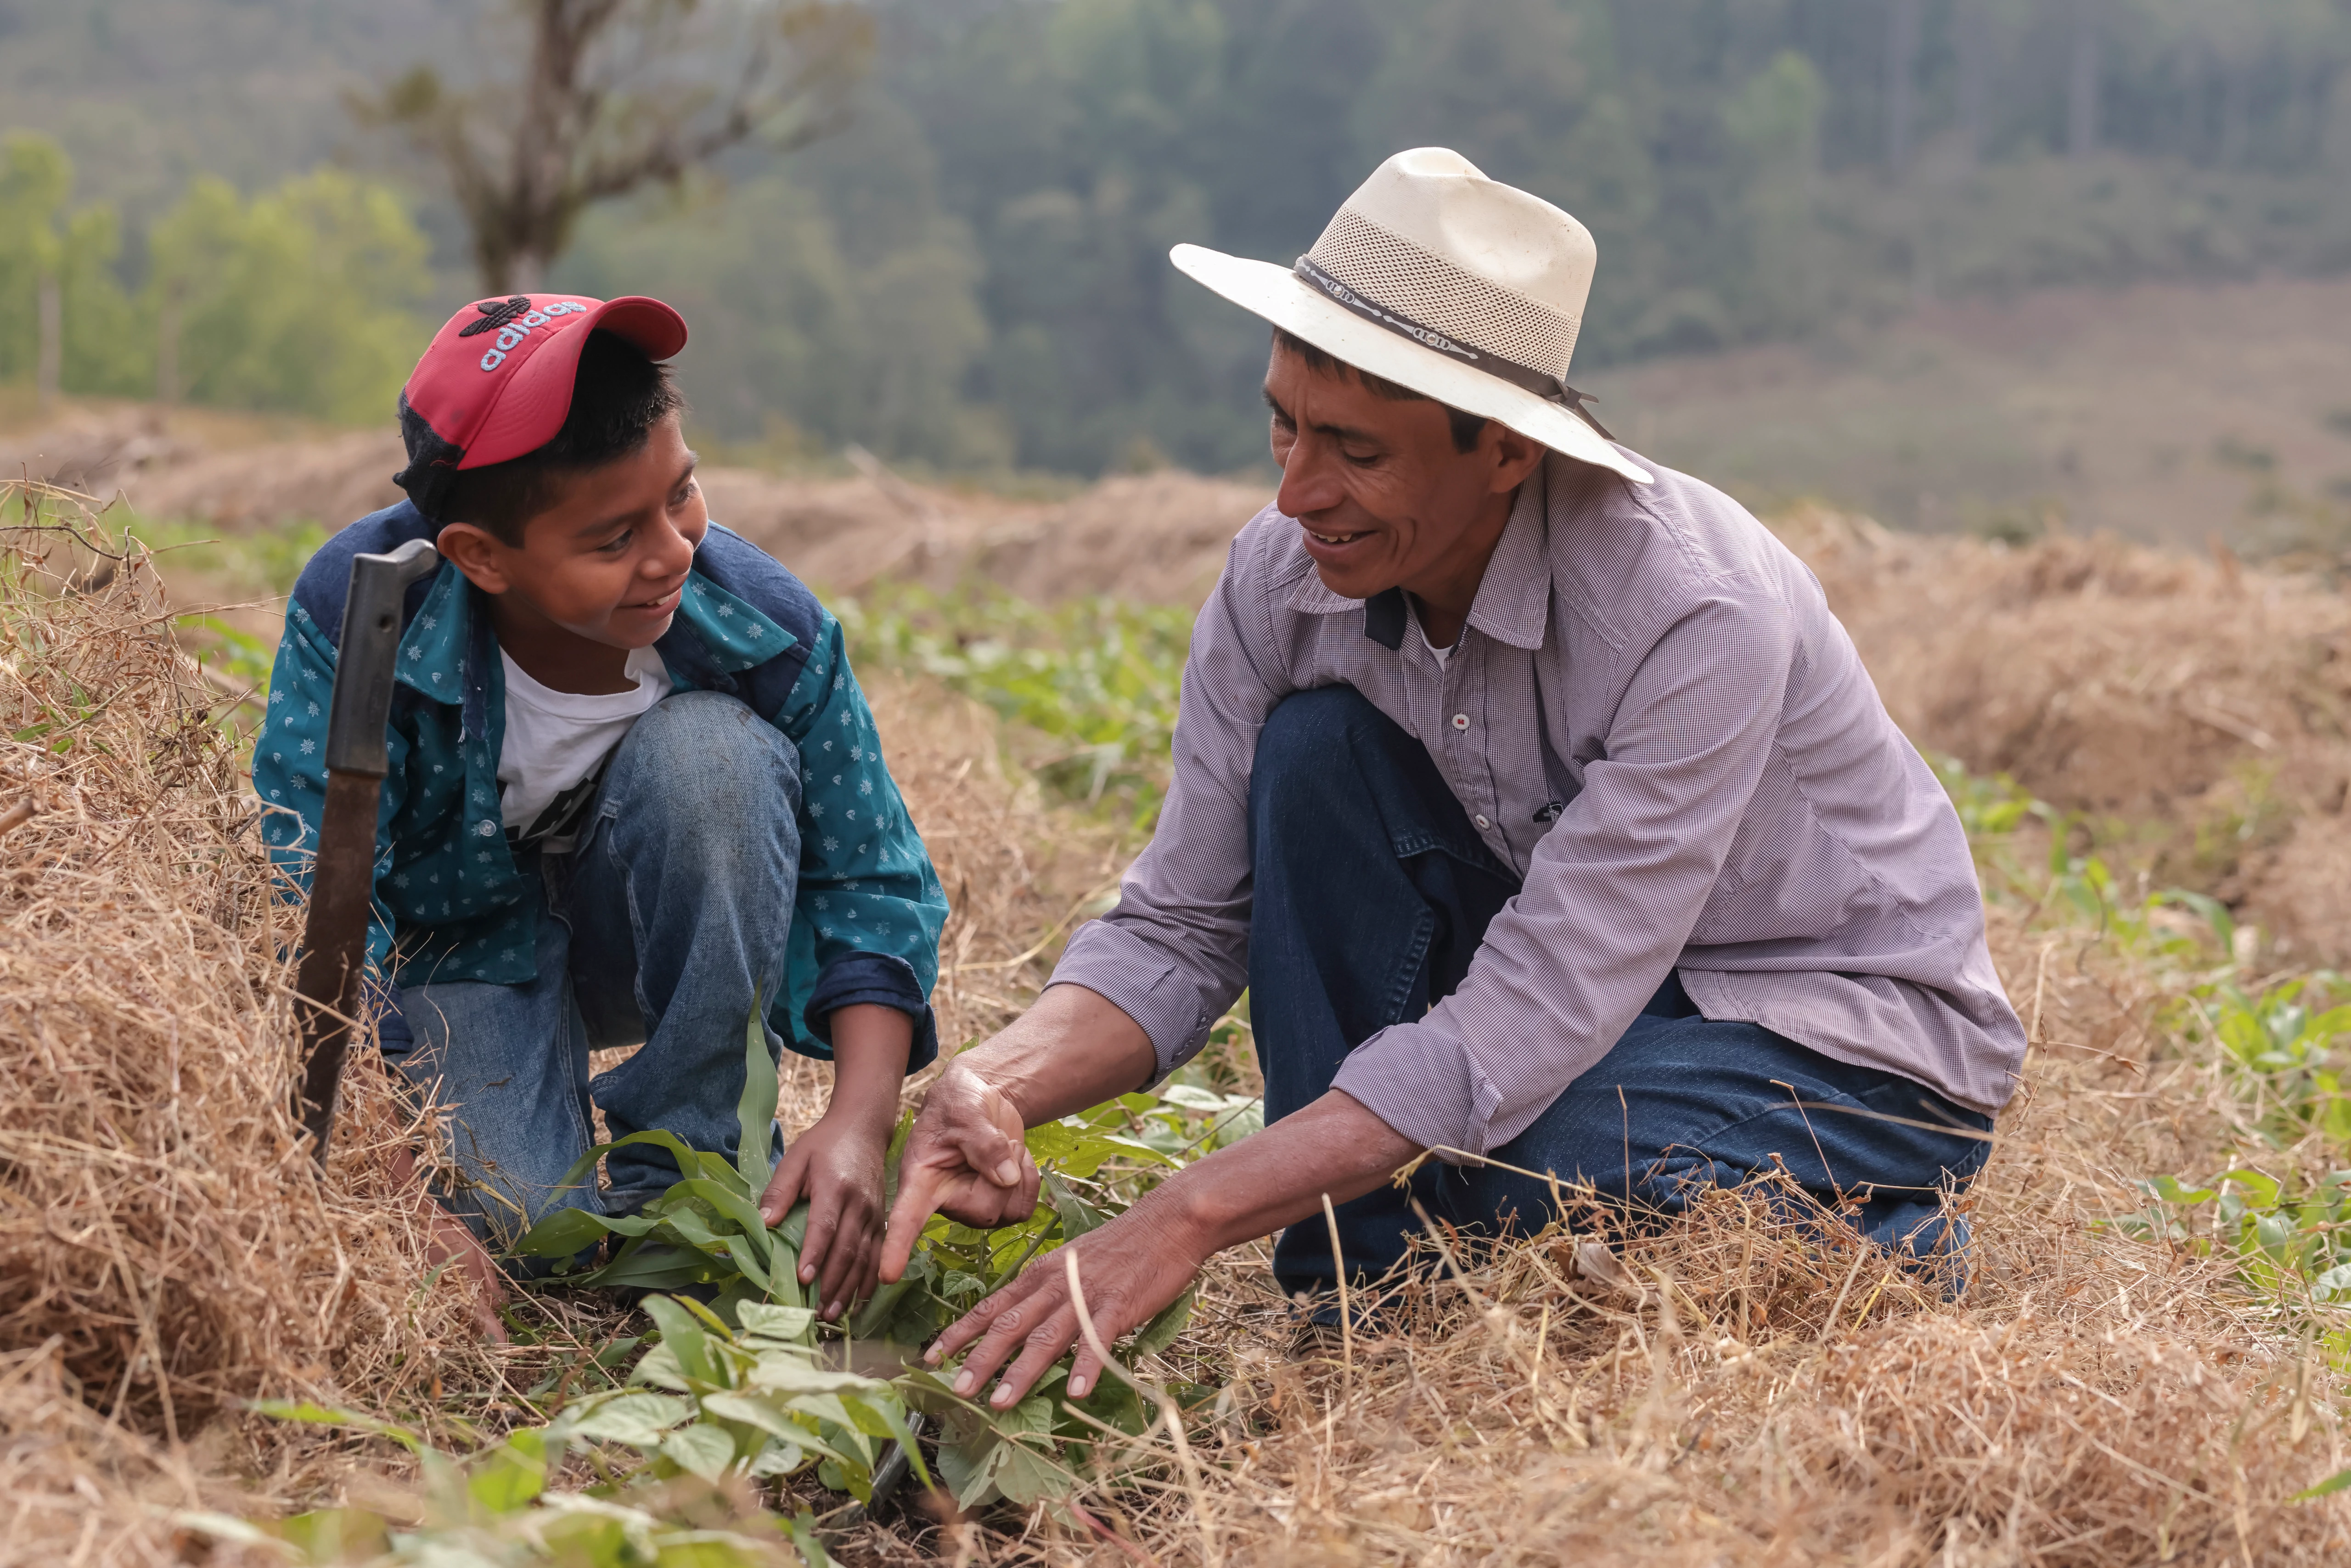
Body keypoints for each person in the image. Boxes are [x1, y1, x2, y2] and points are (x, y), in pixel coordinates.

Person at [875, 149, 2028, 1411]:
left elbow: (1527, 1013)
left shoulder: (1692, 612)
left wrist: (1191, 1210)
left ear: (1507, 454)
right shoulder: (1281, 578)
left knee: (1542, 1157)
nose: (1298, 490)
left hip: (1838, 1035)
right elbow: (1185, 921)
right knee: (1314, 760)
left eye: (1357, 450)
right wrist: (992, 1084)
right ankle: (1360, 1305)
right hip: (1607, 1006)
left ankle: (1893, 1248)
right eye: (1285, 422)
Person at [255, 293, 947, 1331]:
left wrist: (859, 1121)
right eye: (614, 537)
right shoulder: (366, 618)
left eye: (684, 495)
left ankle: (694, 1164)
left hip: (642, 919)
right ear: (481, 556)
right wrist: (394, 1194)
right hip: (465, 949)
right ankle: (536, 1162)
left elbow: (871, 878)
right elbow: (311, 903)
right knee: (527, 1224)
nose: (671, 552)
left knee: (717, 761)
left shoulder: (763, 624)